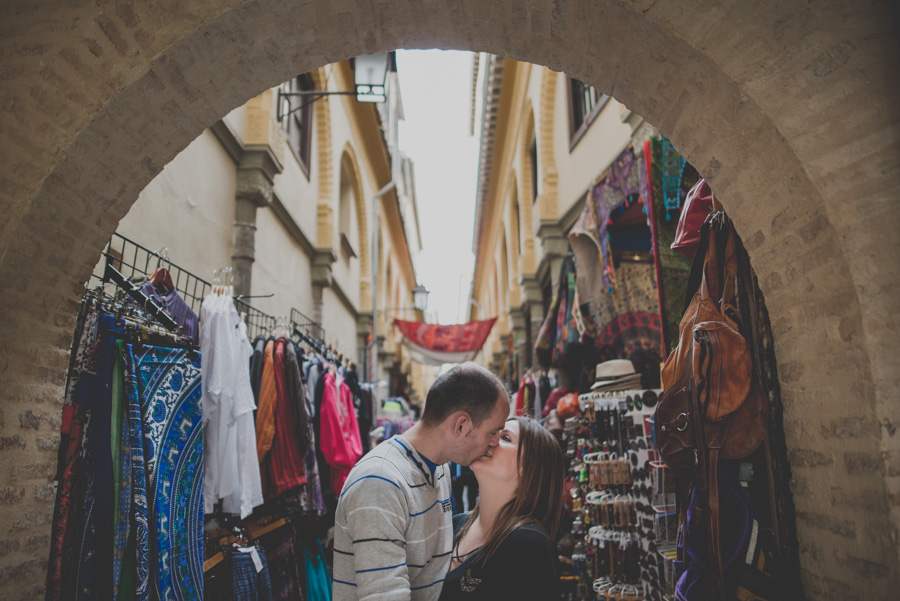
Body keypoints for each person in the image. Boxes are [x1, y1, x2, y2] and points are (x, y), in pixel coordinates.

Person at [333, 363, 511, 600]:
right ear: (461, 426)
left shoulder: (439, 469)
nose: (495, 443)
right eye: (493, 433)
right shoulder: (380, 482)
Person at [438, 416, 565, 600]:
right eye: (492, 432)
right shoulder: (456, 524)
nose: (489, 440)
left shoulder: (529, 544)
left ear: (530, 466)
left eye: (505, 437)